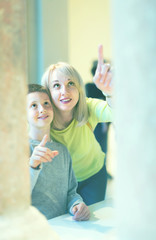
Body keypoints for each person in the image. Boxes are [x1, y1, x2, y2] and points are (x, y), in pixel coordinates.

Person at [41, 45, 113, 205]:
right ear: (47, 92)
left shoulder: (88, 107)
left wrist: (110, 92)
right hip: (62, 182)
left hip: (93, 176)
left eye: (70, 84)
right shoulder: (42, 119)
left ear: (79, 88)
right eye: (56, 86)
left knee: (88, 220)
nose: (64, 91)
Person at [27, 83, 90, 220]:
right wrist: (32, 165)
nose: (42, 109)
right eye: (34, 105)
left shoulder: (62, 151)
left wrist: (77, 204)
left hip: (62, 228)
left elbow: (71, 193)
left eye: (46, 103)